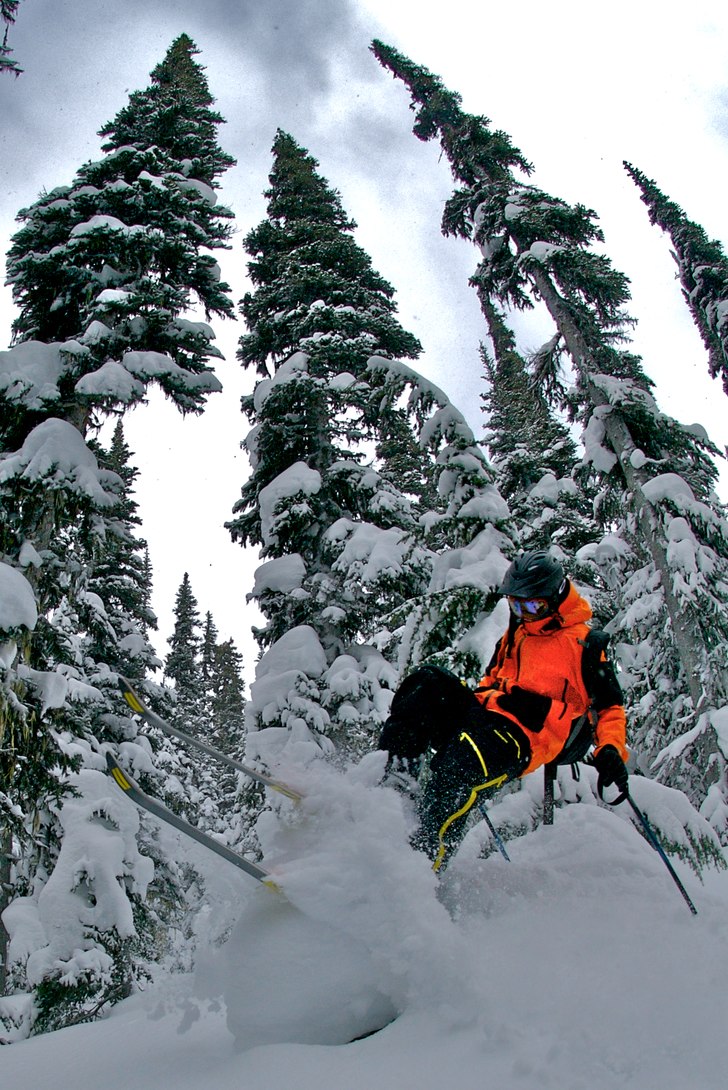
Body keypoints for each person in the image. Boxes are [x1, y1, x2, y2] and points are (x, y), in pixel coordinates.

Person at [378, 550, 629, 871]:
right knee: (427, 684)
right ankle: (392, 794)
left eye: (533, 605)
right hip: (489, 715)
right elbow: (494, 679)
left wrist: (611, 750)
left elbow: (610, 707)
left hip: (530, 736)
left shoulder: (585, 644)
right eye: (516, 604)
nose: (524, 613)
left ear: (556, 596)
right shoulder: (519, 631)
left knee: (459, 765)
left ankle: (420, 866)